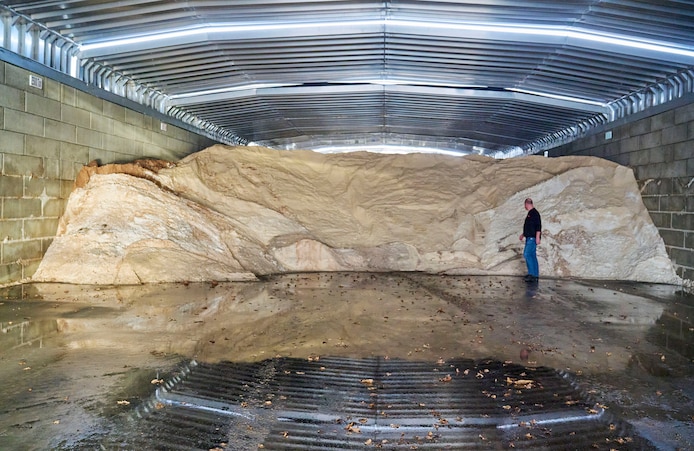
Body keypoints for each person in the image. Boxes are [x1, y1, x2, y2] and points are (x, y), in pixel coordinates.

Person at [519, 198, 541, 282]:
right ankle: (535, 275)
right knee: (532, 255)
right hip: (530, 237)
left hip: (532, 238)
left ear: (526, 204)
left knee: (527, 254)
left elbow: (538, 226)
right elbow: (530, 227)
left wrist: (537, 237)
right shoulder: (531, 213)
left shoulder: (534, 213)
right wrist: (523, 234)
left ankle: (531, 274)